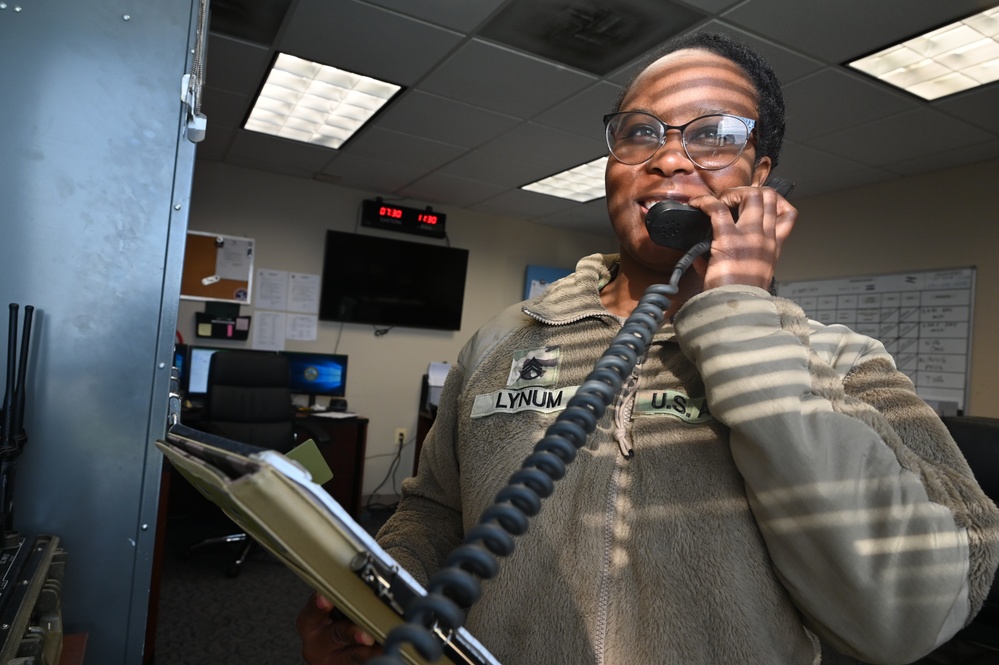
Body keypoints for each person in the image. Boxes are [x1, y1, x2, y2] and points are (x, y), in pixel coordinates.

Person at [298, 32, 999, 665]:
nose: (668, 157)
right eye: (640, 131)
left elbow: (909, 615)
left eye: (713, 135)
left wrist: (735, 318)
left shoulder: (840, 361)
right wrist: (378, 592)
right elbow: (438, 512)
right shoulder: (502, 337)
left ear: (761, 179)